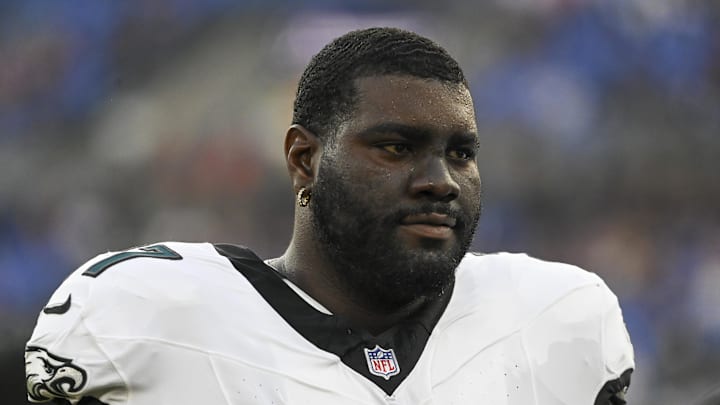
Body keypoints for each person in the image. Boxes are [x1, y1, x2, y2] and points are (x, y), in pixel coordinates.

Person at [25, 27, 634, 404]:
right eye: (396, 147)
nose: (440, 182)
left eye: (461, 154)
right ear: (304, 158)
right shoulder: (147, 317)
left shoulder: (557, 317)